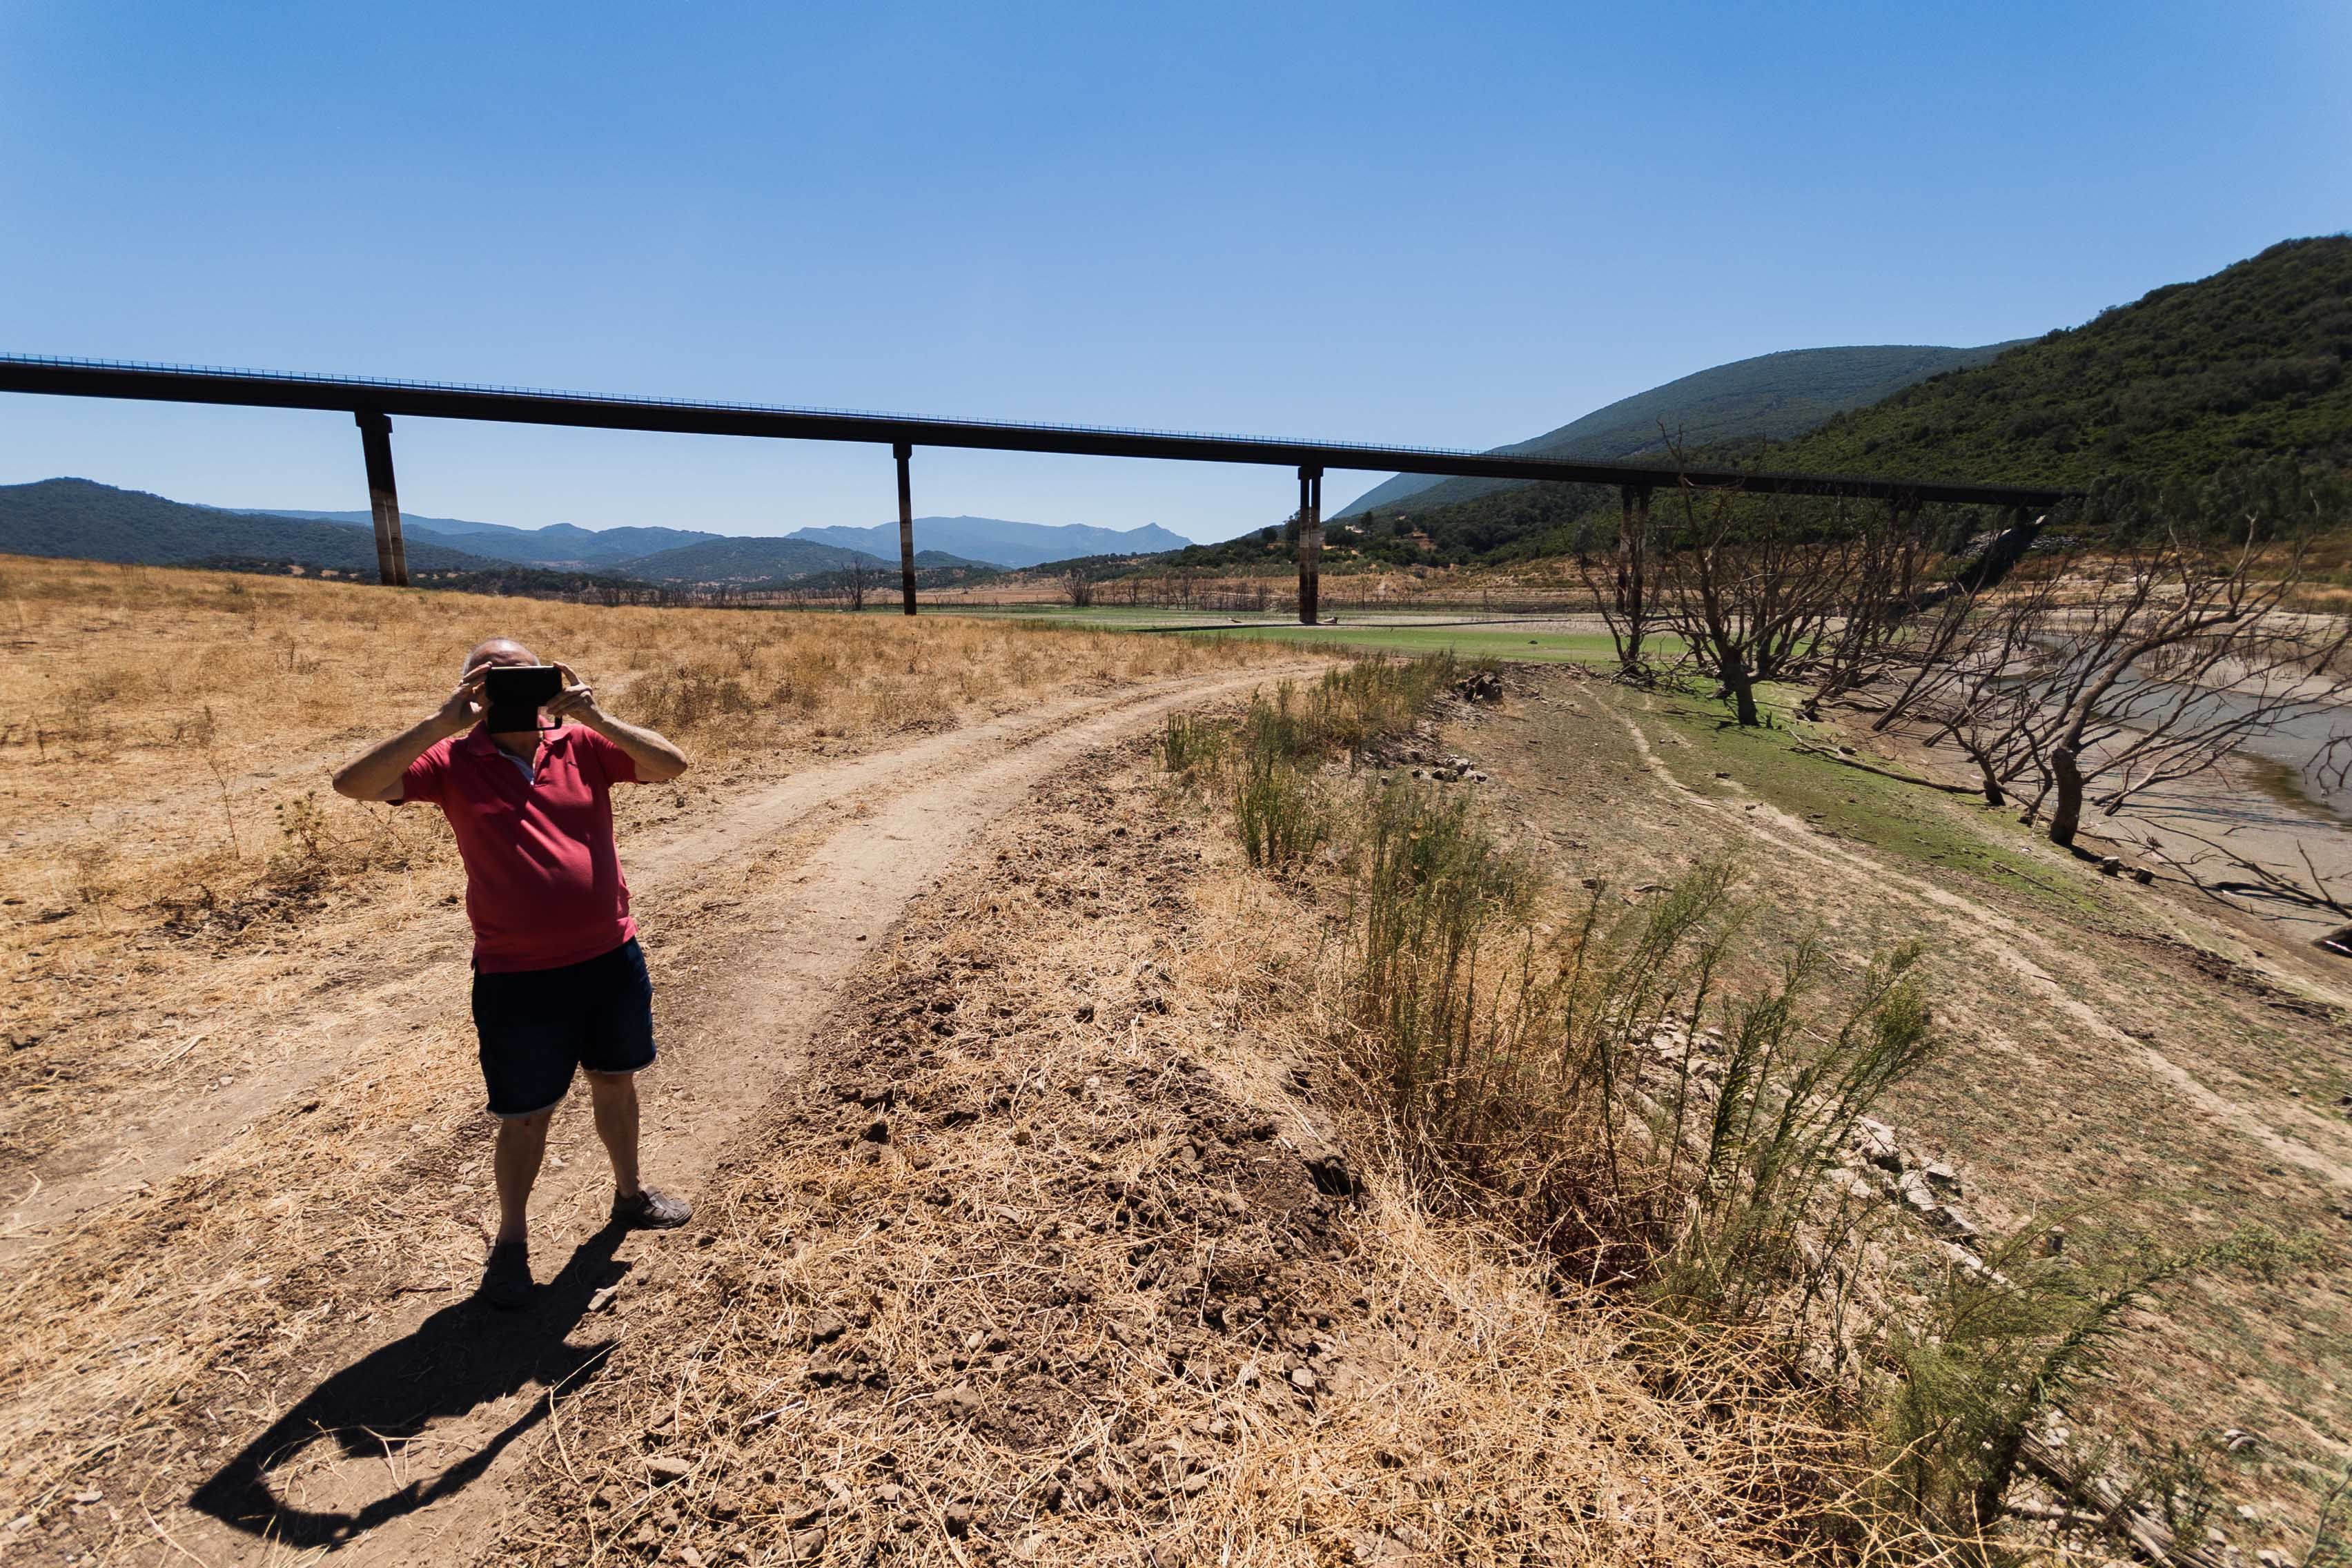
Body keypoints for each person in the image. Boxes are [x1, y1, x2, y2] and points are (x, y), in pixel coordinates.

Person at [332, 637, 694, 1309]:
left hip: (610, 957)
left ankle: (630, 1195)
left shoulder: (581, 745)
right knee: (526, 1116)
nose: (511, 688)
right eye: (491, 677)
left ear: (548, 679)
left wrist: (593, 715)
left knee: (616, 1083)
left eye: (524, 674)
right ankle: (510, 1244)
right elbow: (352, 785)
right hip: (517, 974)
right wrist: (440, 724)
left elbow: (671, 764)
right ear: (471, 688)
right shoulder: (452, 760)